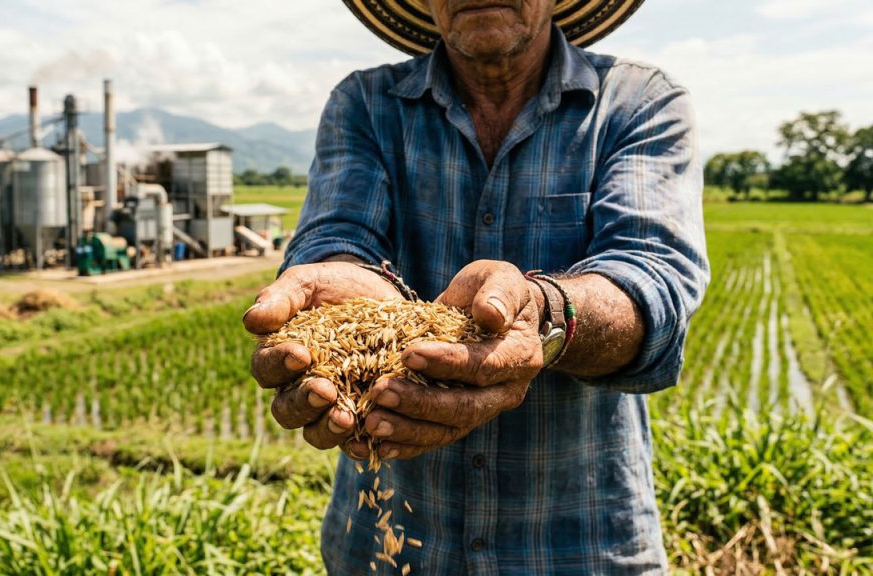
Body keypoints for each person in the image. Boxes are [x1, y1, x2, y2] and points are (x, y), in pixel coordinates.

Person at [243, 0, 709, 573]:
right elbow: (338, 235)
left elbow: (652, 280)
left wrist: (542, 313)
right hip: (391, 544)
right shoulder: (365, 105)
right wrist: (344, 288)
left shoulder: (637, 101)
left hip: (581, 542)